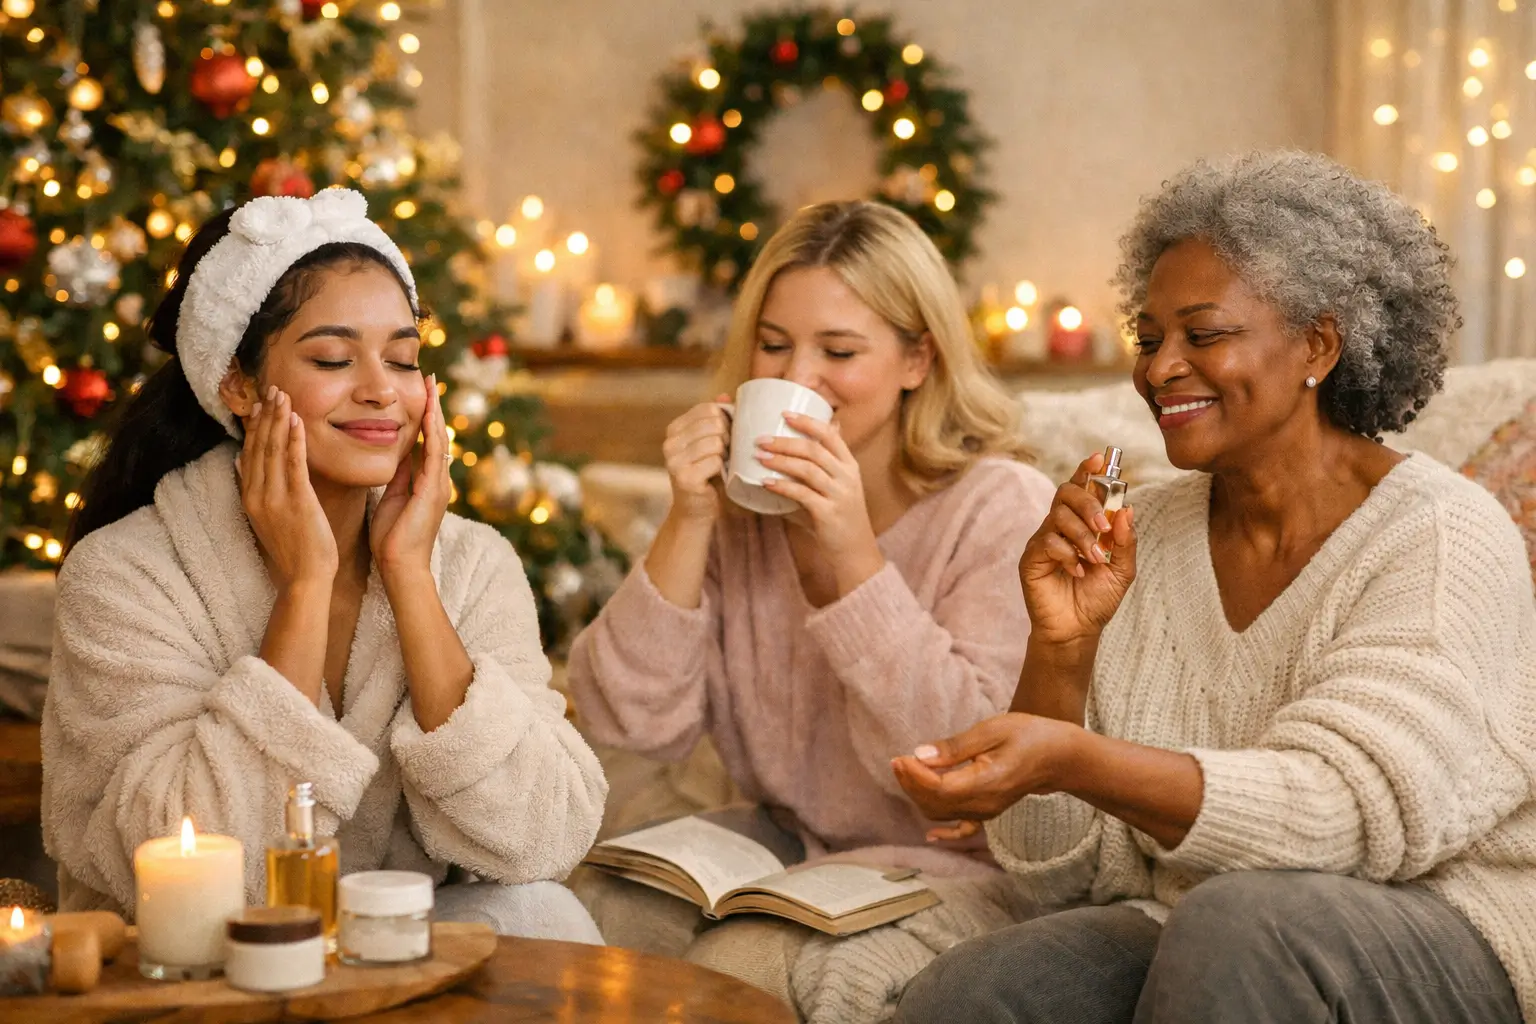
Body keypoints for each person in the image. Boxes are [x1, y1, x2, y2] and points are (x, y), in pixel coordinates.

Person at [891, 150, 1536, 1023]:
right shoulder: (1143, 537)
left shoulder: (1438, 536)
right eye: (1151, 339)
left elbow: (1345, 815)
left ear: (1318, 342)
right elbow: (1060, 878)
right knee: (984, 987)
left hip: (1448, 926)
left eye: (1205, 334)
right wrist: (1062, 649)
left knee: (1242, 925)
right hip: (1206, 918)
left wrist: (1073, 757)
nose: (1160, 370)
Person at [42, 190, 607, 942]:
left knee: (544, 914)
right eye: (334, 358)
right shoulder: (126, 574)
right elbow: (185, 871)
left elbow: (544, 836)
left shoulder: (471, 565)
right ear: (237, 385)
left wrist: (410, 577)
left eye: (403, 358)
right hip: (196, 973)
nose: (382, 390)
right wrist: (305, 587)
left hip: (388, 960)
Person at [567, 201, 1054, 1000]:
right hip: (791, 848)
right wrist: (688, 520)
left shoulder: (1000, 509)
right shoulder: (737, 516)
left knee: (743, 971)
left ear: (917, 361)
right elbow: (628, 723)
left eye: (838, 350)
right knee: (599, 915)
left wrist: (853, 555)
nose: (796, 380)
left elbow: (969, 768)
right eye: (773, 345)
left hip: (961, 868)